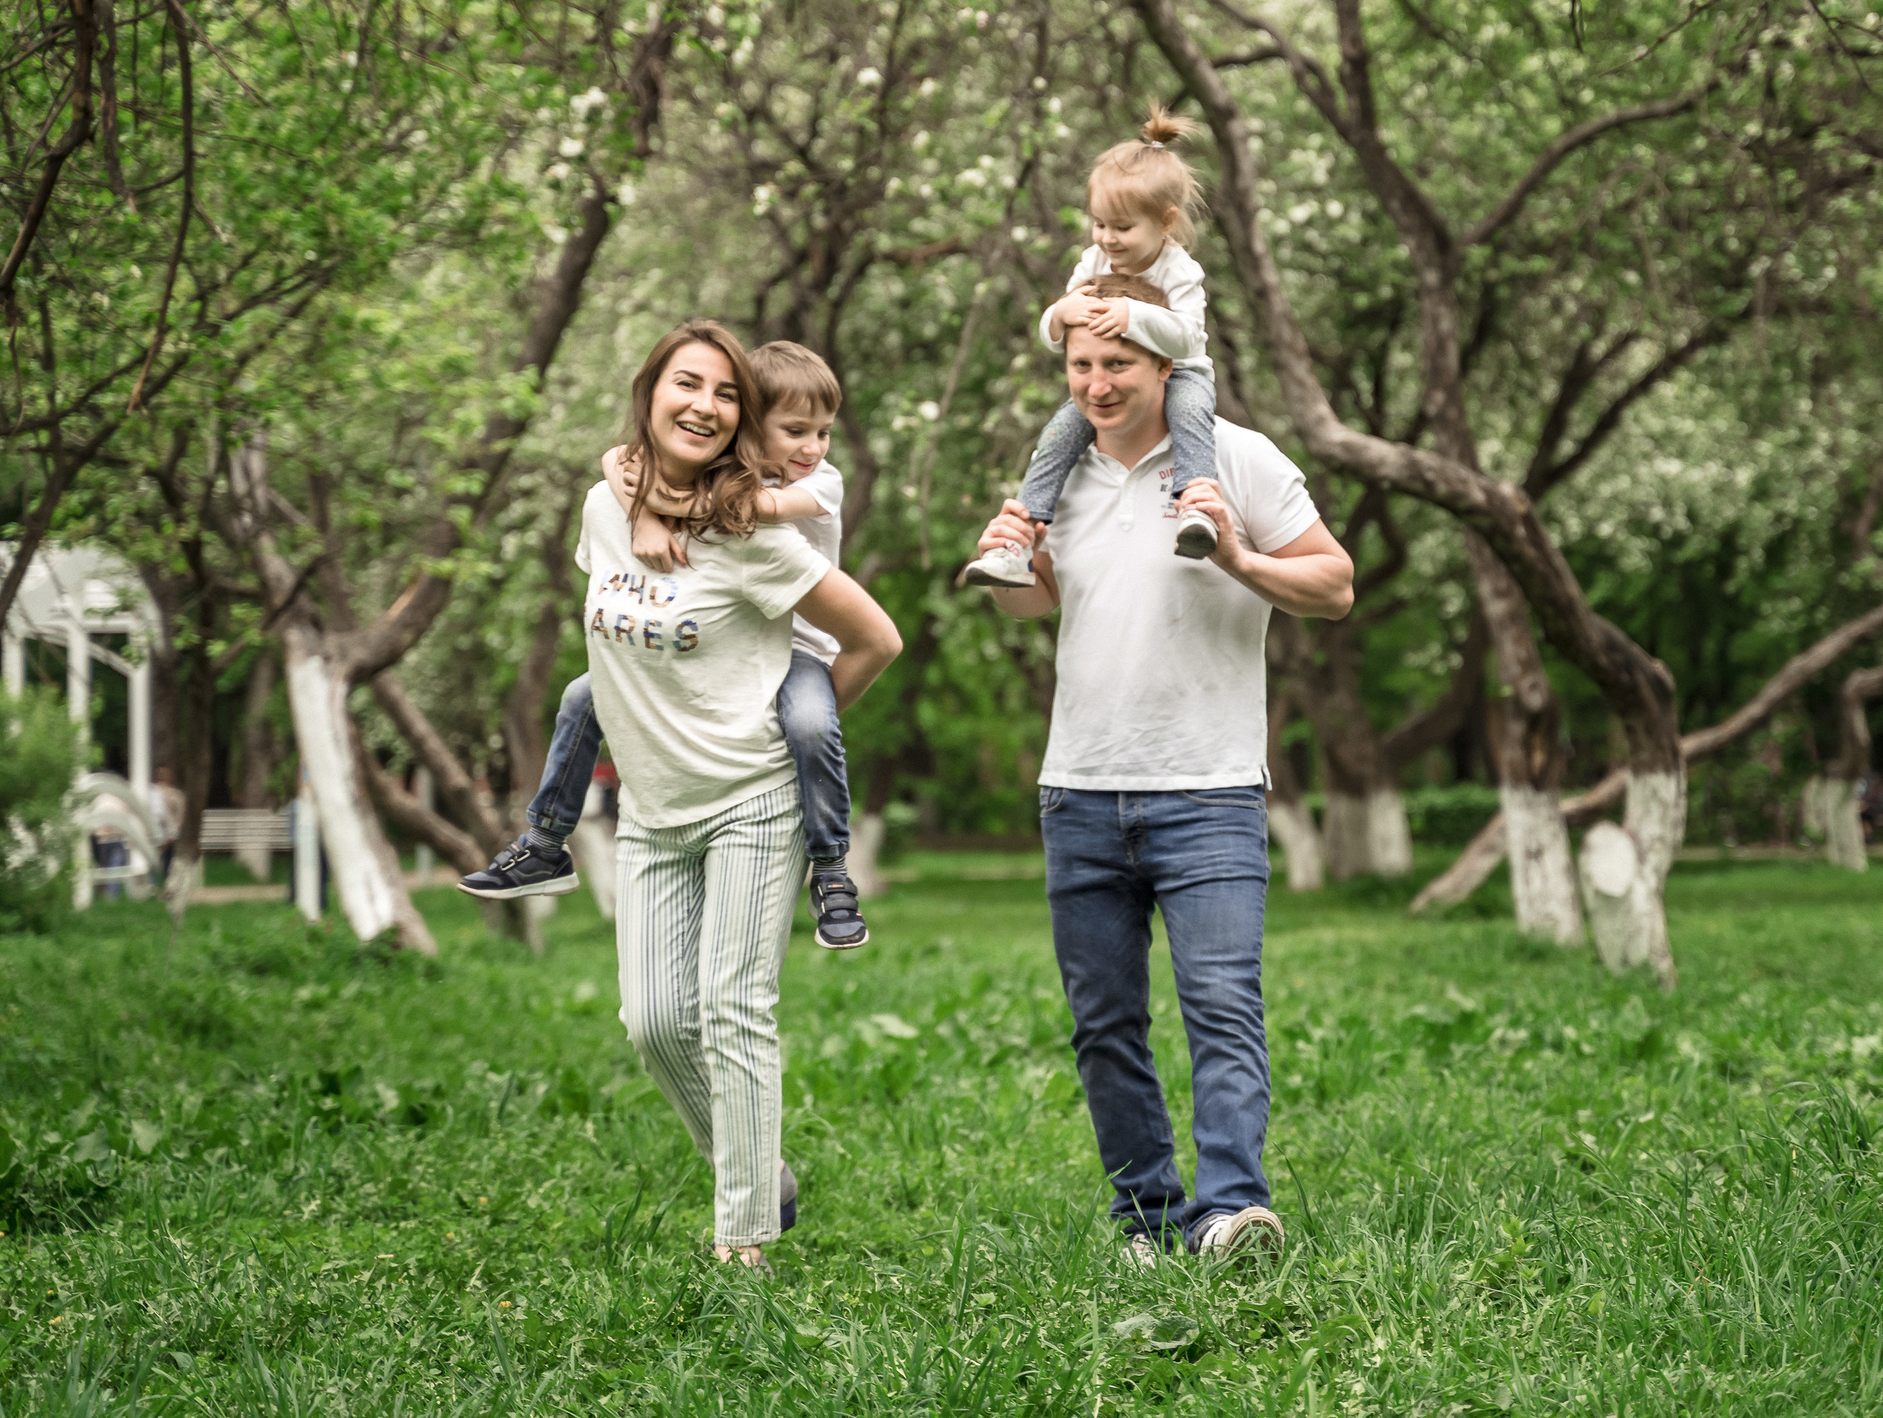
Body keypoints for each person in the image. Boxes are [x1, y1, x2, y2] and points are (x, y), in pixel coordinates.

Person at [972, 308, 1355, 1261]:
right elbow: (1037, 602)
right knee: (1104, 1025)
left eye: (1118, 363)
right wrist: (1015, 556)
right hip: (1079, 789)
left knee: (1222, 1006)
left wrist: (1239, 556)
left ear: (1166, 364)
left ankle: (1229, 1212)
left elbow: (1335, 584)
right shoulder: (1064, 470)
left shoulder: (1233, 459)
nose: (1096, 383)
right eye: (1081, 364)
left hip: (1210, 788)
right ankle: (1143, 1218)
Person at [538, 319, 902, 1268]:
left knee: (735, 1008)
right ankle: (757, 1167)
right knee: (655, 1022)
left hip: (753, 796)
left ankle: (743, 1238)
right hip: (652, 808)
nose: (704, 404)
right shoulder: (604, 508)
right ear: (651, 392)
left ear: (742, 418)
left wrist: (793, 734)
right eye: (686, 383)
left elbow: (876, 639)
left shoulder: (756, 537)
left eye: (726, 393)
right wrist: (648, 506)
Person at [461, 342, 875, 951]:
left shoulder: (818, 482)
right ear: (750, 427)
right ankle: (547, 841)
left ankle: (832, 865)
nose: (813, 447)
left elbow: (749, 510)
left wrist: (650, 508)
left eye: (824, 432)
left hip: (800, 652)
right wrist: (642, 508)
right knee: (580, 698)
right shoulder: (721, 472)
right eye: (795, 431)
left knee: (811, 726)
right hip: (728, 651)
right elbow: (618, 458)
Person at [961, 106, 1219, 587]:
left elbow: (1188, 337)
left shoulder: (1180, 270)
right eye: (1099, 224)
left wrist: (1132, 316)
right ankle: (1018, 542)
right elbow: (1062, 331)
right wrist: (1060, 313)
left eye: (1121, 227)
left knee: (1190, 415)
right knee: (1058, 434)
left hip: (1183, 373)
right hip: (1120, 378)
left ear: (1165, 221)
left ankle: (1196, 508)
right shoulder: (1093, 260)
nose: (1107, 238)